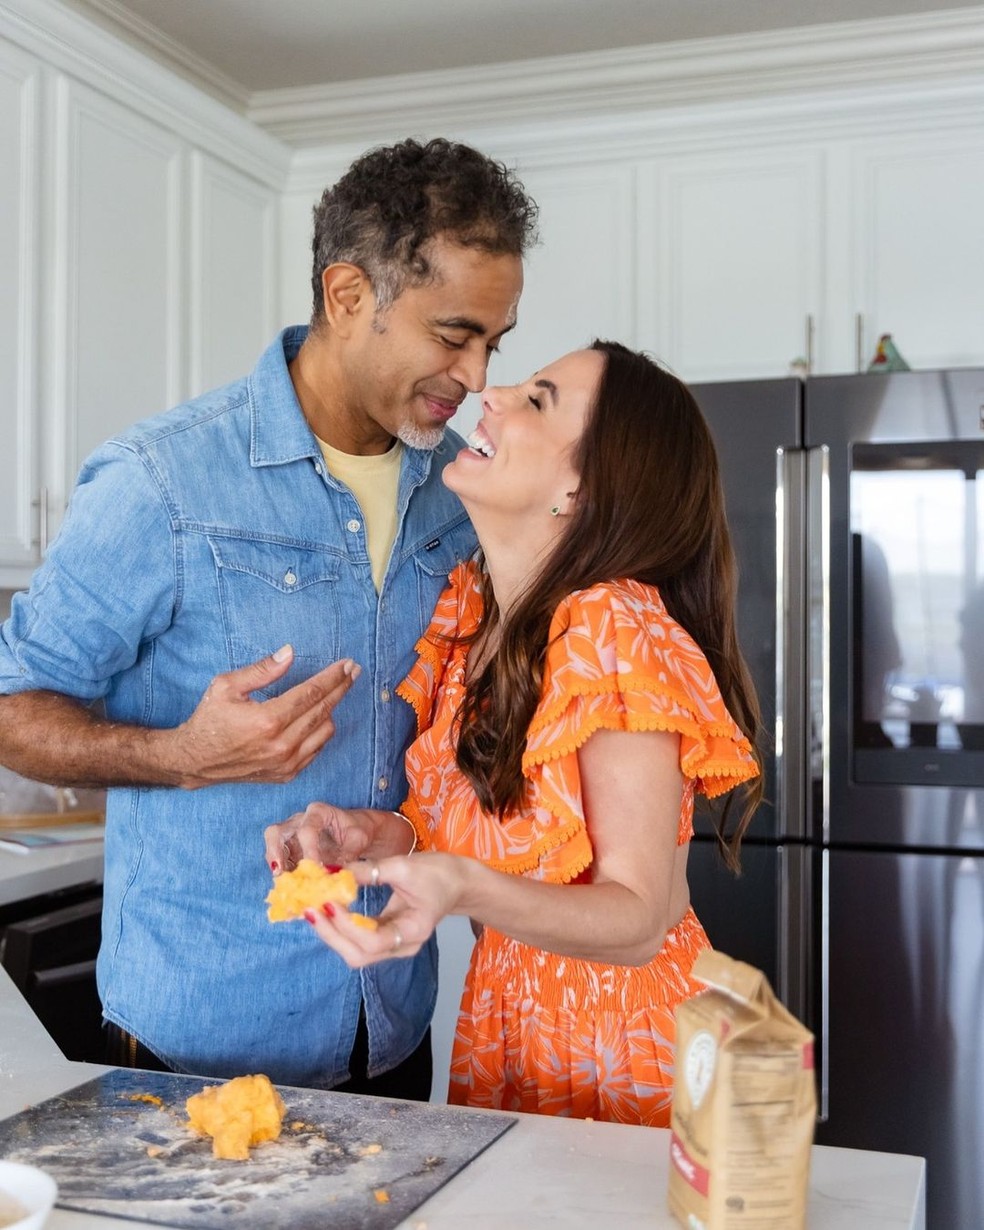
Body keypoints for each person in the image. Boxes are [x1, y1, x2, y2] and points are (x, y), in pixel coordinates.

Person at [0, 137, 538, 1097]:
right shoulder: (163, 482)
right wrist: (181, 755)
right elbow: (11, 706)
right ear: (346, 296)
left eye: (495, 341)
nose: (477, 372)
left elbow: (454, 748)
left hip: (392, 1032)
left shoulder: (462, 498)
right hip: (198, 1047)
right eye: (453, 333)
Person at [266, 340, 763, 1125]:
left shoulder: (613, 629)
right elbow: (483, 834)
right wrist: (369, 833)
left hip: (623, 1042)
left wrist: (461, 888)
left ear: (581, 486)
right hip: (513, 1022)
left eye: (539, 399)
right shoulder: (477, 617)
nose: (490, 393)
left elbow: (638, 918)